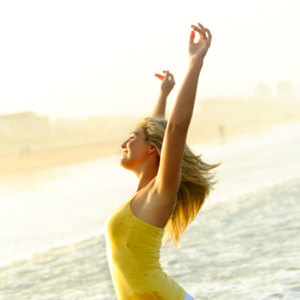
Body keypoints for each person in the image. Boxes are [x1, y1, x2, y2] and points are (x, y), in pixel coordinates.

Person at [105, 22, 221, 300]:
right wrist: (163, 95)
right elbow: (156, 131)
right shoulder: (143, 195)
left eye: (131, 138)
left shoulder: (162, 191)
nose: (124, 143)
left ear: (151, 150)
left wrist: (195, 63)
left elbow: (174, 129)